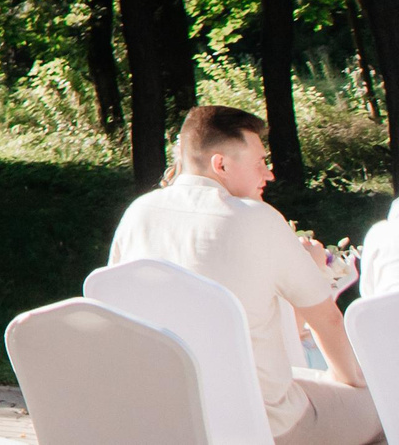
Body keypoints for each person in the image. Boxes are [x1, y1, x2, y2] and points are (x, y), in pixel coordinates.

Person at [109, 105, 381, 445]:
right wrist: (354, 385)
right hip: (263, 425)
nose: (268, 175)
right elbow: (326, 319)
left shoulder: (137, 216)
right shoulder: (256, 219)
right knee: (386, 407)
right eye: (260, 163)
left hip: (166, 421)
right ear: (220, 164)